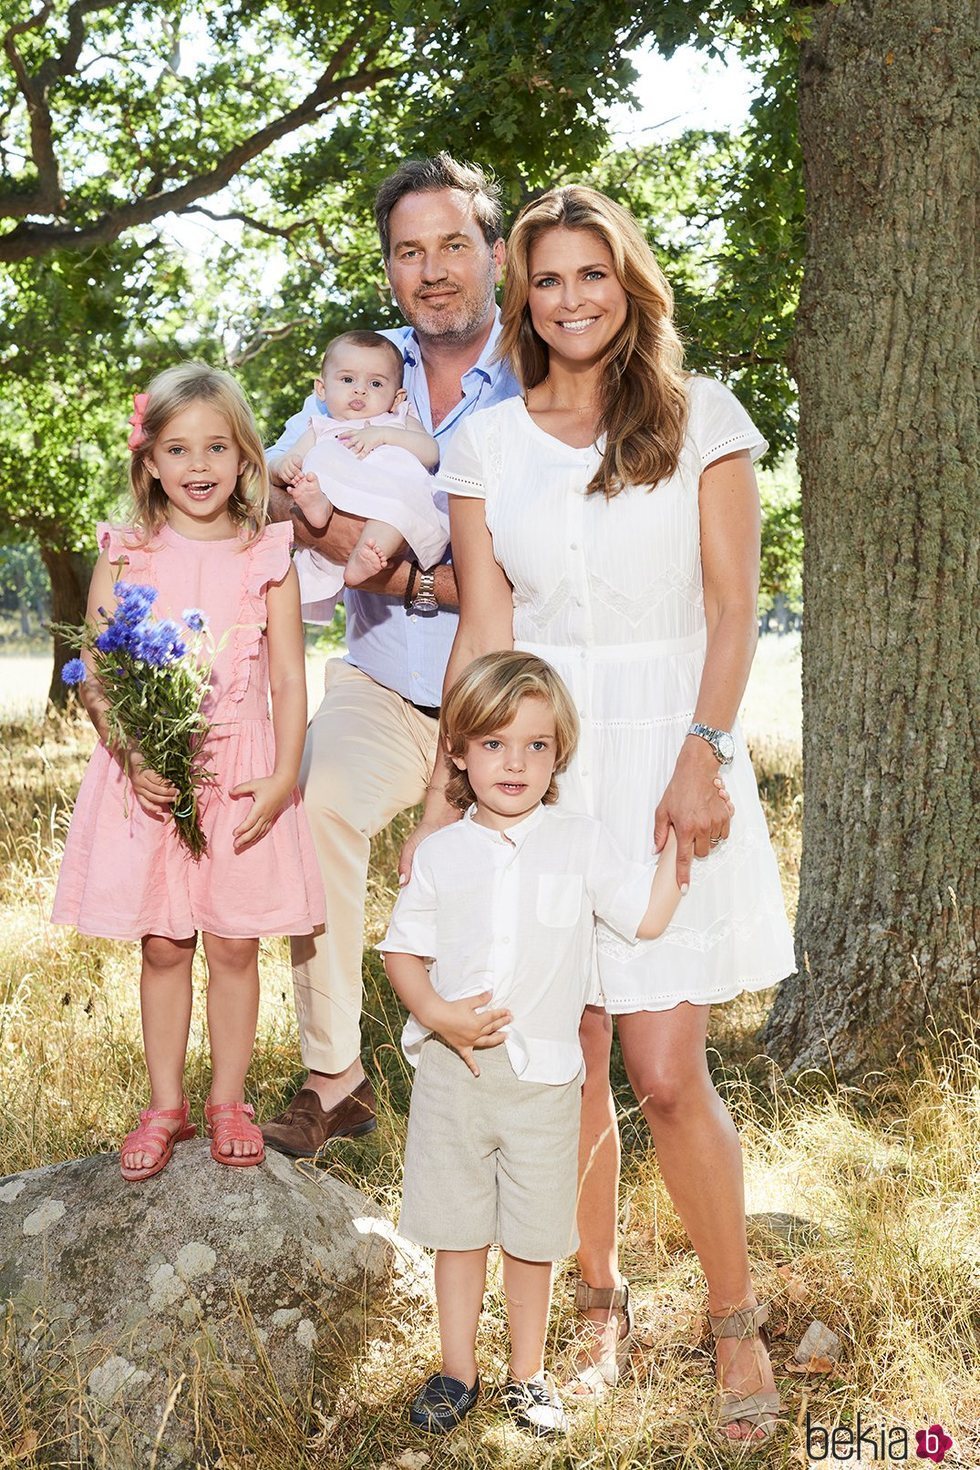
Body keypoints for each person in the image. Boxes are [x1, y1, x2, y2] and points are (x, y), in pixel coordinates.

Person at [406, 186, 796, 1442]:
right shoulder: (485, 446)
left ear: (629, 284)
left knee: (664, 1072)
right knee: (556, 1063)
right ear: (520, 297)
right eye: (548, 280)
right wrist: (442, 799)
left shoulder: (701, 421)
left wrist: (702, 755)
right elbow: (485, 628)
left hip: (668, 758)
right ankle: (594, 1306)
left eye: (593, 275)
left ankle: (731, 1321)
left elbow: (734, 612)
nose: (571, 299)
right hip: (534, 768)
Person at [260, 153, 520, 1158]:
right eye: (409, 252)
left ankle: (497, 1090)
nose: (433, 269)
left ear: (493, 252)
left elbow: (521, 577)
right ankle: (336, 1080)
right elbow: (277, 485)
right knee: (308, 804)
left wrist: (410, 577)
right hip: (381, 681)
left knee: (499, 882)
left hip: (504, 696)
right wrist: (337, 532)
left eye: (453, 244)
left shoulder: (536, 377)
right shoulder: (363, 372)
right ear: (390, 272)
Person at [380, 651, 705, 1437]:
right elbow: (400, 949)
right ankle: (457, 1369)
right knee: (458, 1232)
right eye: (492, 745)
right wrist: (438, 1013)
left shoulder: (579, 841)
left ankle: (527, 1374)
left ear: (559, 753)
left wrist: (679, 852)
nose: (514, 762)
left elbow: (647, 915)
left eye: (535, 745)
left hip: (548, 1082)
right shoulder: (442, 853)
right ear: (457, 752)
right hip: (455, 1074)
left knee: (532, 1235)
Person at [51, 362, 325, 1180]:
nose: (198, 465)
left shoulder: (266, 552)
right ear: (151, 462)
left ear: (246, 459)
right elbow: (98, 670)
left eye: (216, 447)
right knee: (165, 944)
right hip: (151, 775)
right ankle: (165, 1102)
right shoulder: (128, 552)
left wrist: (283, 775)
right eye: (178, 448)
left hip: (241, 771)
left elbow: (287, 677)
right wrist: (134, 757)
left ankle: (228, 1099)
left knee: (235, 945)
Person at [272, 329, 445, 603]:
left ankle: (364, 560)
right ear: (322, 388)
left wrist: (384, 435)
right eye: (347, 379)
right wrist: (285, 466)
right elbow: (288, 460)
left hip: (389, 498)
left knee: (396, 511)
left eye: (376, 384)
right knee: (320, 460)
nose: (360, 389)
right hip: (340, 499)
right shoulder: (321, 427)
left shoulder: (397, 419)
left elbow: (430, 452)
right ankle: (319, 505)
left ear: (397, 397)